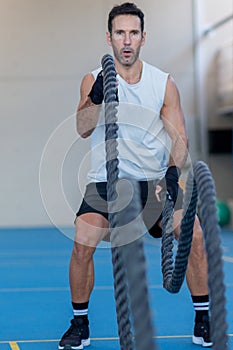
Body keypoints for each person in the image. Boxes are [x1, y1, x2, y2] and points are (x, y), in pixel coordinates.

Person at [58, 2, 212, 349]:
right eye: (119, 33)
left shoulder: (163, 82)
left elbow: (179, 137)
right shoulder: (92, 79)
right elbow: (83, 129)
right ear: (109, 38)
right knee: (83, 242)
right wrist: (95, 96)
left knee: (195, 235)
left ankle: (203, 318)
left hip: (156, 180)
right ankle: (79, 324)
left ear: (143, 38)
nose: (126, 40)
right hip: (105, 180)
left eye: (133, 33)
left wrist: (173, 174)